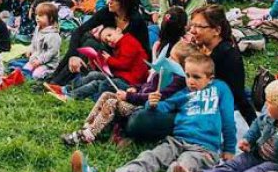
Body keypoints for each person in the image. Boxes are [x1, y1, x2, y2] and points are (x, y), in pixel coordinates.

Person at [71, 53, 237, 172]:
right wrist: (152, 104)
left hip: (203, 149)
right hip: (177, 141)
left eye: (196, 77)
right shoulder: (183, 94)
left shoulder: (220, 89)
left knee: (181, 167)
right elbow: (165, 107)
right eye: (187, 75)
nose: (191, 81)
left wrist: (229, 149)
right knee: (150, 157)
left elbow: (228, 119)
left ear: (210, 77)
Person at [59, 40, 193, 146]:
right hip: (137, 99)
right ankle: (88, 125)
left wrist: (129, 96)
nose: (168, 60)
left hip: (142, 108)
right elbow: (146, 86)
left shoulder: (177, 80)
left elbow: (155, 96)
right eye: (169, 55)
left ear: (182, 66)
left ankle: (87, 136)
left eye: (173, 59)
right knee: (106, 94)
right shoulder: (163, 72)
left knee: (112, 102)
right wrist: (135, 88)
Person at [48, 0, 150, 85]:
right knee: (85, 38)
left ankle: (57, 82)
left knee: (90, 44)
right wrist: (72, 56)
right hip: (109, 55)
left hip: (124, 64)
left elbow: (144, 53)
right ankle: (55, 78)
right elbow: (79, 31)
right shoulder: (107, 12)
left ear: (125, 2)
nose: (109, 1)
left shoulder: (137, 22)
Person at [188, 5, 257, 124]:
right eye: (192, 25)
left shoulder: (225, 56)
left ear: (216, 30)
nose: (192, 30)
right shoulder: (208, 48)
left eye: (199, 26)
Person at [14, 3, 61, 79]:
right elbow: (34, 42)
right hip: (35, 57)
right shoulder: (38, 28)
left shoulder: (53, 35)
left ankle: (51, 72)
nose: (37, 18)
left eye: (41, 16)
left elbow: (51, 52)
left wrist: (40, 61)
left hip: (48, 63)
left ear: (51, 18)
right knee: (25, 70)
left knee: (36, 75)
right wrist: (30, 49)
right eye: (37, 15)